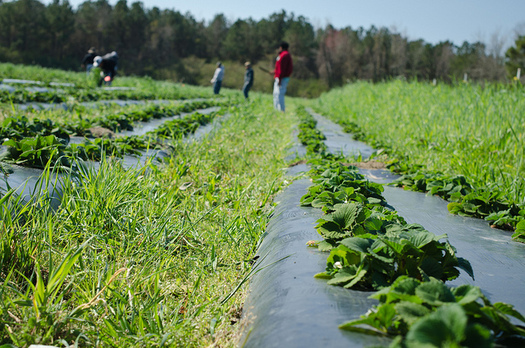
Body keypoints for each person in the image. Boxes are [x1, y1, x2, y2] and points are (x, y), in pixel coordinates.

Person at [271, 41, 293, 112]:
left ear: (281, 47)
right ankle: (277, 110)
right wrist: (274, 72)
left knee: (279, 95)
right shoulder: (285, 55)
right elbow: (279, 68)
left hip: (282, 78)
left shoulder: (284, 55)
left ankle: (281, 111)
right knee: (276, 94)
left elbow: (282, 69)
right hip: (281, 77)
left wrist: (279, 79)